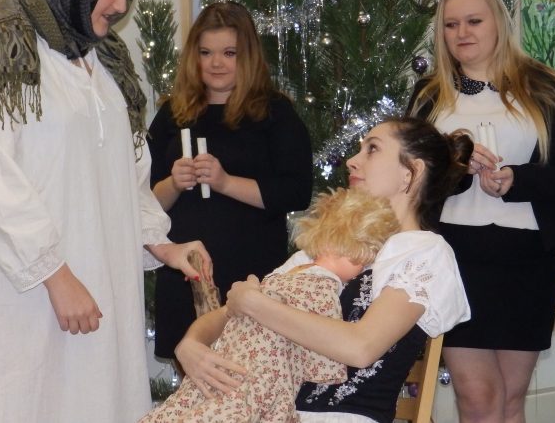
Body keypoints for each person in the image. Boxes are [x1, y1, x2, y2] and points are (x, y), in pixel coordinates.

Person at [0, 0, 211, 423]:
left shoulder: (107, 63)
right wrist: (55, 276)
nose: (121, 5)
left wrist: (164, 245)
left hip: (98, 287)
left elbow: (126, 177)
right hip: (19, 296)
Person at [174, 117, 473, 423]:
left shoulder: (423, 252)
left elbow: (361, 347)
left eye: (372, 149)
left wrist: (254, 304)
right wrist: (191, 344)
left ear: (411, 171)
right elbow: (228, 314)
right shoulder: (327, 246)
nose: (352, 161)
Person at [406, 0, 555, 423]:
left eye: (474, 21)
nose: (462, 33)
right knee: (478, 398)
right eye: (451, 25)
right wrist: (457, 168)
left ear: (499, 22)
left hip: (528, 260)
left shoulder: (544, 87)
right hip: (455, 259)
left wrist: (517, 180)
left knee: (510, 401)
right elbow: (409, 179)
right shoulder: (429, 95)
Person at [140, 188, 399, 422]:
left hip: (231, 363)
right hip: (260, 378)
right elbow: (325, 360)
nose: (361, 271)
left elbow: (237, 312)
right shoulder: (324, 287)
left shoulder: (287, 274)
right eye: (364, 262)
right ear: (357, 254)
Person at [148, 1, 313, 361]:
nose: (216, 63)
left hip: (251, 272)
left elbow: (296, 191)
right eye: (206, 52)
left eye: (229, 53)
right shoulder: (172, 114)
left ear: (247, 56)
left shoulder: (274, 112)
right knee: (191, 380)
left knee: (251, 378)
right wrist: (173, 183)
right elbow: (145, 205)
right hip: (186, 273)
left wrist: (225, 182)